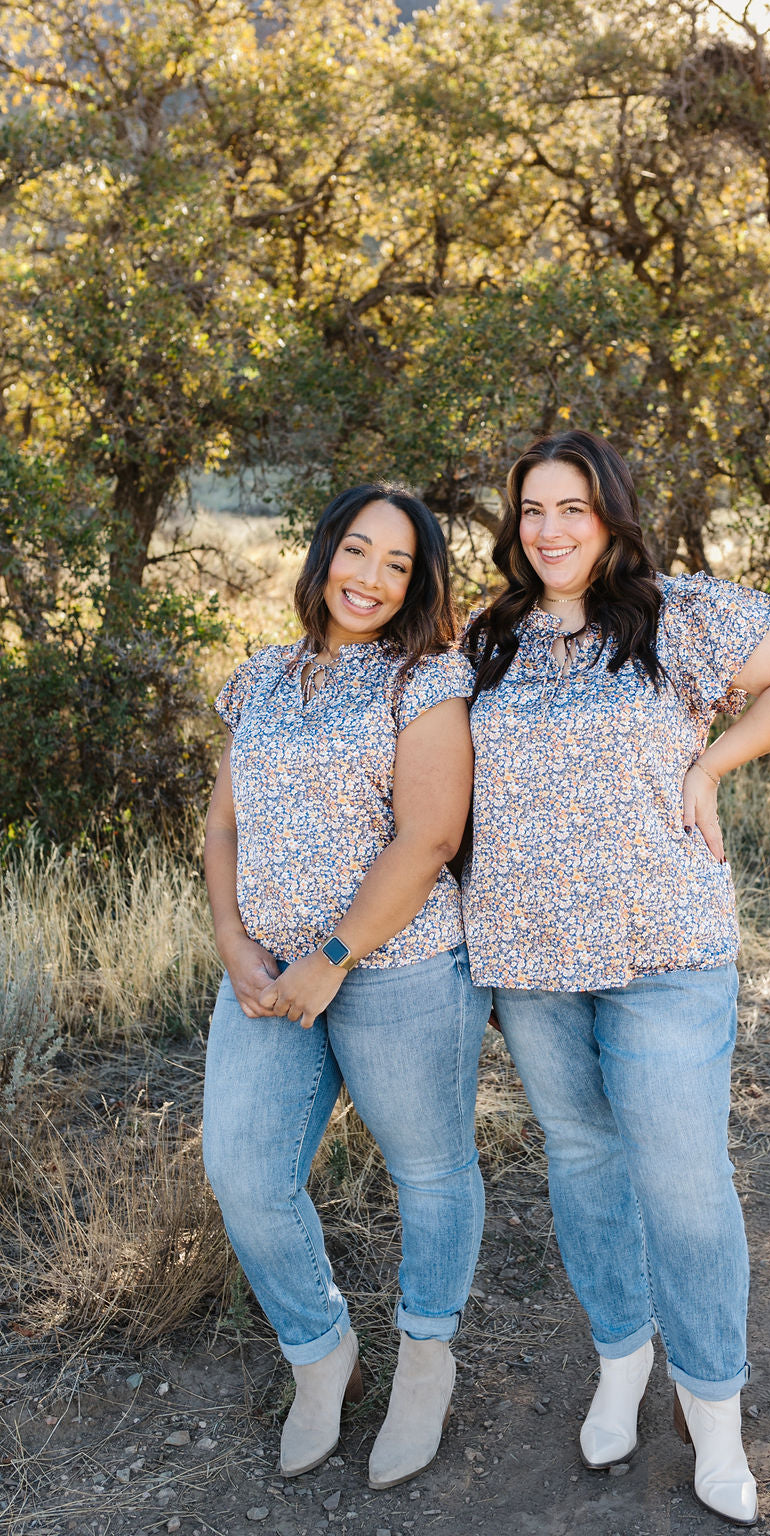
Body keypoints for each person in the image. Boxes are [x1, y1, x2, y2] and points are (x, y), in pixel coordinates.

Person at [462, 430, 770, 1527]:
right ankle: (620, 1363)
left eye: (572, 509)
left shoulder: (678, 614)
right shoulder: (484, 639)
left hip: (665, 950)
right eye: (531, 510)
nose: (549, 530)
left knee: (682, 1179)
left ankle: (714, 1412)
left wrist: (712, 762)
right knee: (585, 1165)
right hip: (527, 958)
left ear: (612, 517)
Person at [202, 485, 491, 1490]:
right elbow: (224, 825)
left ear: (418, 584)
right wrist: (234, 938)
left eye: (398, 564)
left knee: (429, 1168)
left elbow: (429, 837)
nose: (370, 578)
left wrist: (332, 959)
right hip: (267, 972)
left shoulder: (427, 680)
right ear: (324, 555)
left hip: (401, 969)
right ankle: (320, 1353)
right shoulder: (260, 678)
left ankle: (424, 1357)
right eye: (357, 552)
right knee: (243, 1169)